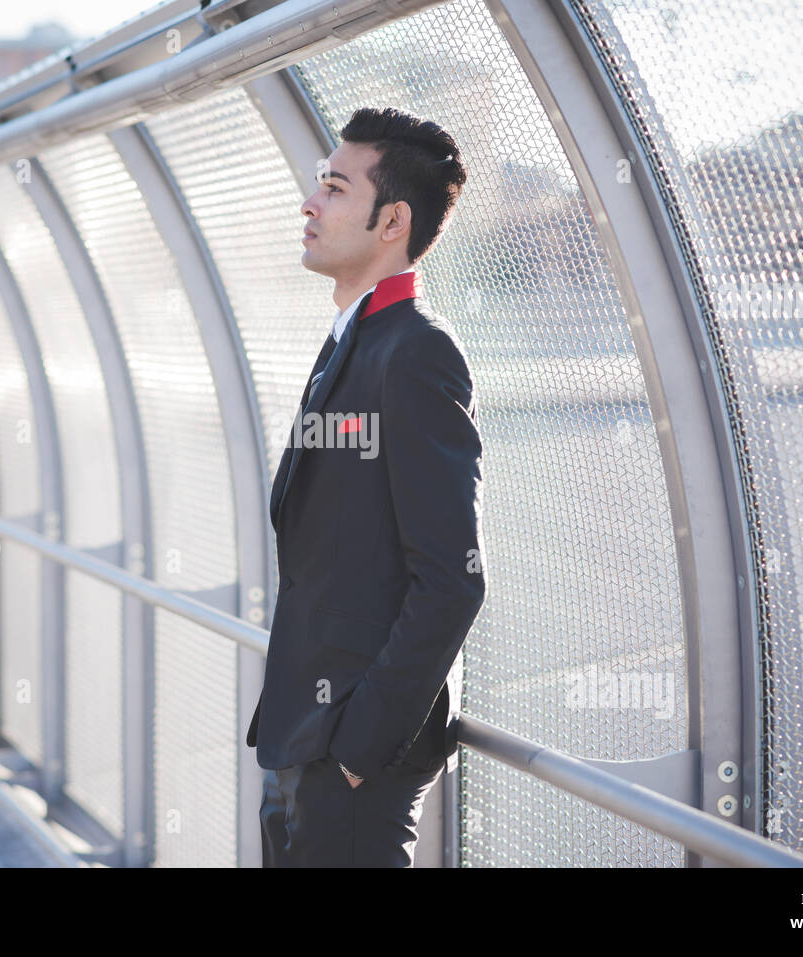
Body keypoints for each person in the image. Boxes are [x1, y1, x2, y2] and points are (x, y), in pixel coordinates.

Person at [245, 106, 487, 866]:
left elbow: (453, 578)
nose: (311, 203)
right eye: (320, 184)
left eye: (336, 189)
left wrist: (358, 748)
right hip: (303, 739)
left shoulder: (416, 353)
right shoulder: (352, 343)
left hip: (347, 760)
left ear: (393, 221)